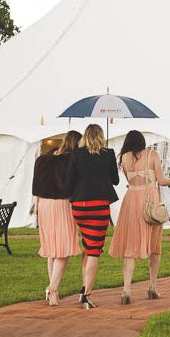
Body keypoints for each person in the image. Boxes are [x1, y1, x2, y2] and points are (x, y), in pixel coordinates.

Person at [109, 130, 170, 304]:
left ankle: (126, 290)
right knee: (154, 245)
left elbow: (129, 181)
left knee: (130, 246)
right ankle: (152, 286)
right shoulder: (152, 154)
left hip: (130, 200)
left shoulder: (124, 158)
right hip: (149, 200)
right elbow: (160, 180)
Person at [65, 124, 120, 309]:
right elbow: (115, 180)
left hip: (79, 206)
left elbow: (69, 182)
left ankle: (83, 288)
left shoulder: (76, 154)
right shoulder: (109, 154)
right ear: (101, 136)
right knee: (94, 250)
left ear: (85, 136)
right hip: (99, 206)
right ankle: (87, 295)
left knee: (87, 246)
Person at [32, 130, 82, 306]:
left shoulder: (44, 159)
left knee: (52, 248)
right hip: (62, 204)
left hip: (44, 204)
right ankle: (52, 288)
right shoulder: (72, 161)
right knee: (63, 248)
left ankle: (54, 292)